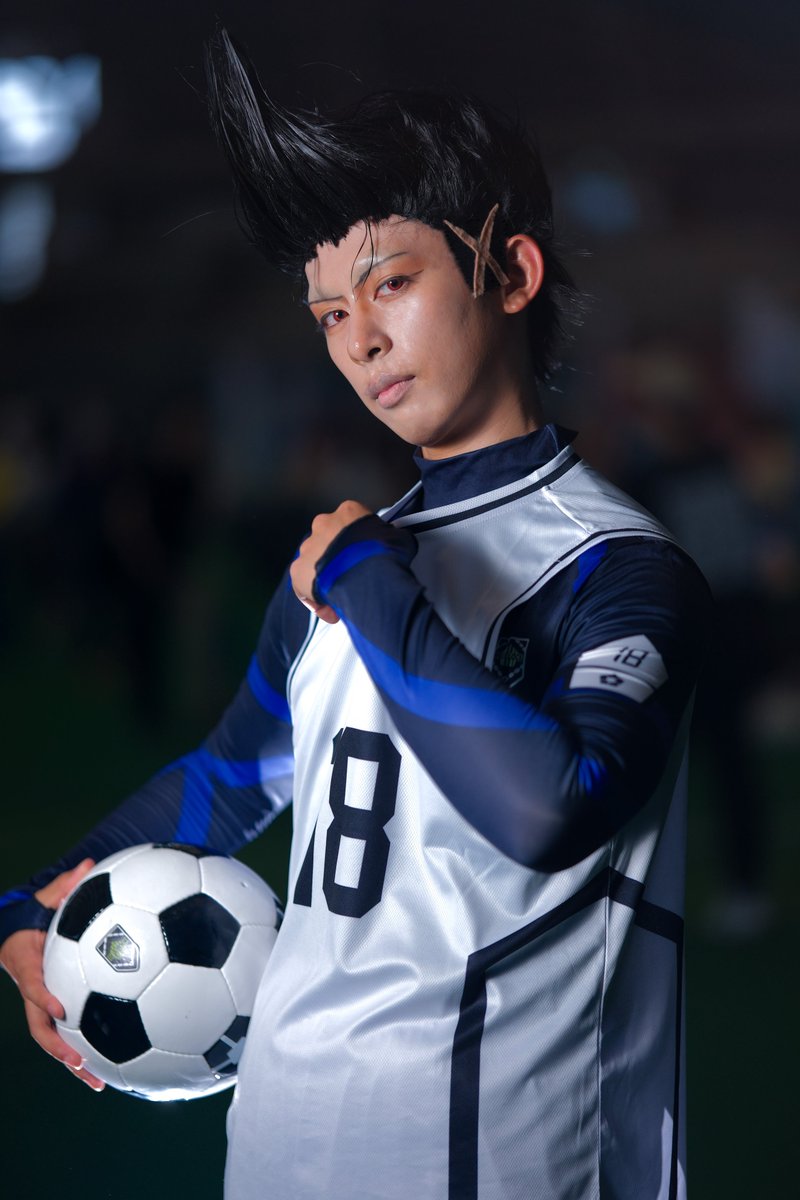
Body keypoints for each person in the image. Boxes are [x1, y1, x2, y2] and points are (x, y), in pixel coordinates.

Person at [0, 30, 711, 1200]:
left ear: (510, 274)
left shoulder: (616, 566)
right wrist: (36, 904)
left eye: (390, 284)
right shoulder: (340, 566)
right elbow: (229, 778)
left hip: (507, 1161)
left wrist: (373, 583)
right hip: (279, 1144)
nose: (360, 339)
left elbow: (552, 809)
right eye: (327, 312)